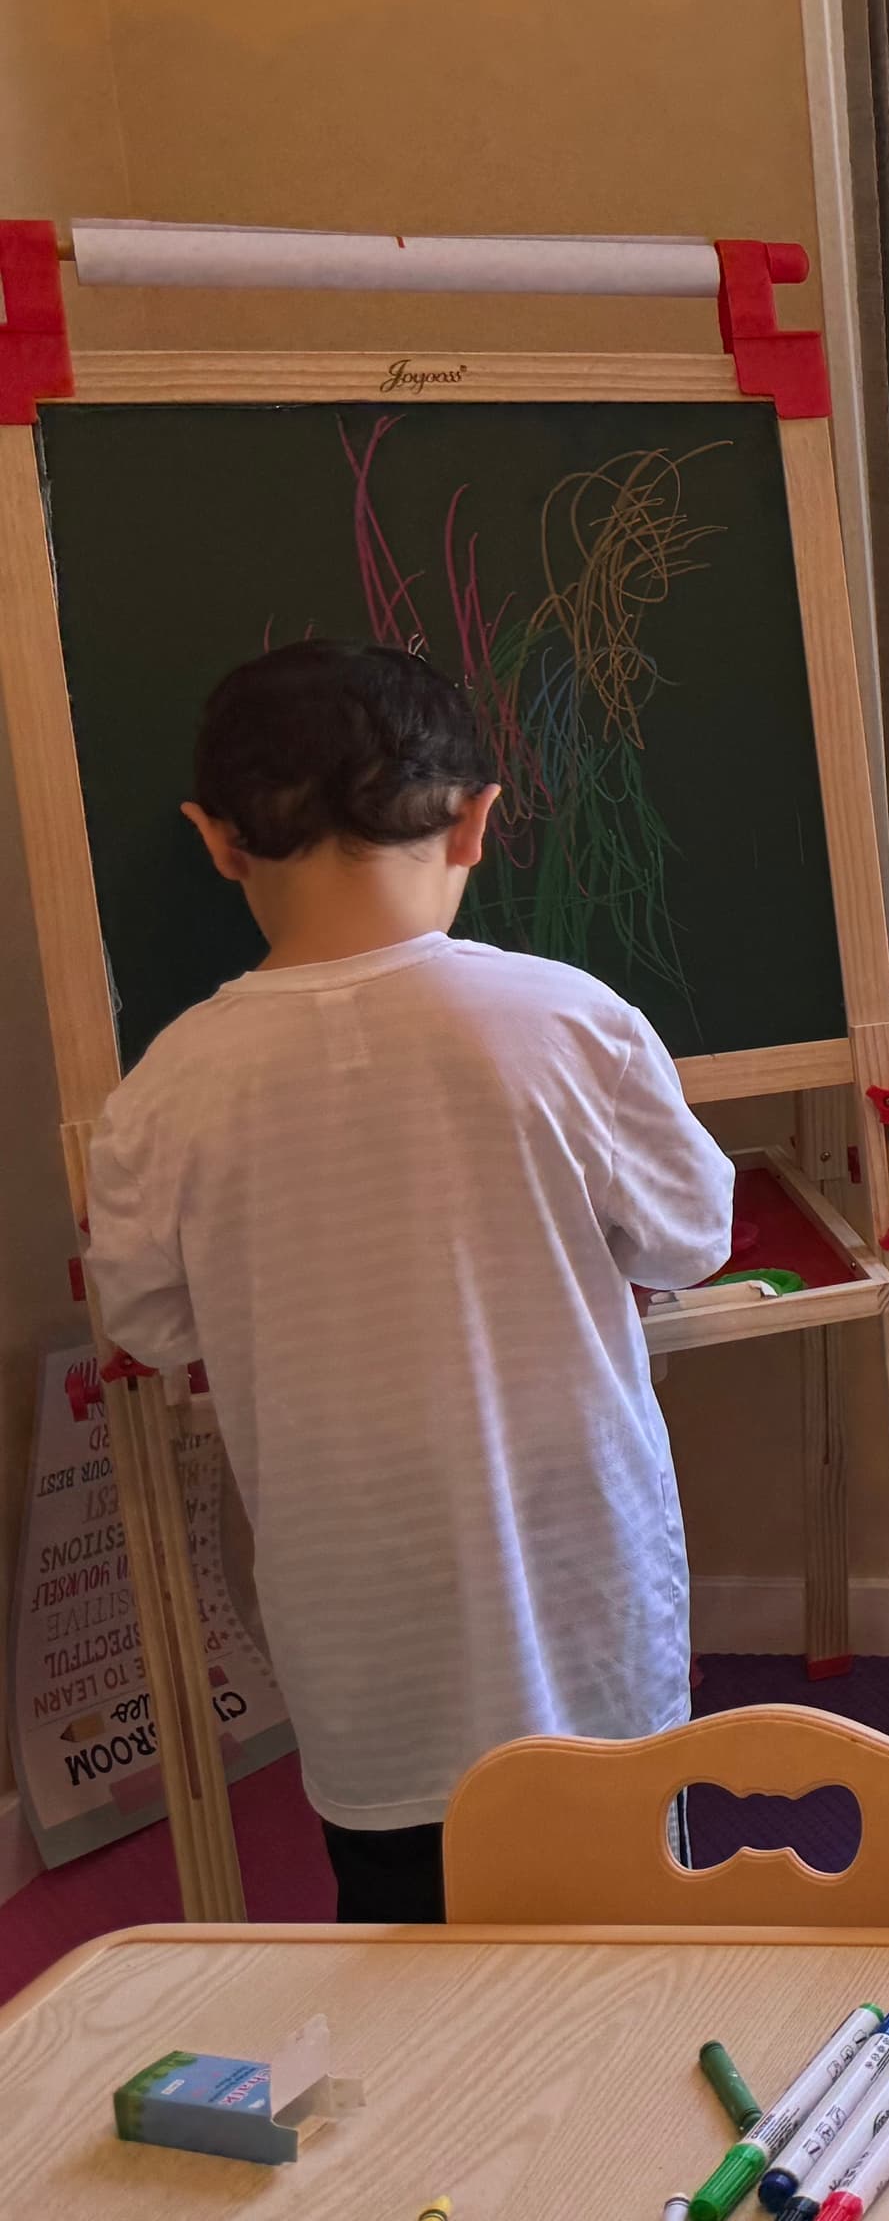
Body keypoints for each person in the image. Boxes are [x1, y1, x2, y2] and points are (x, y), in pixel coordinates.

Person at [82, 642, 735, 1925]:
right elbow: (691, 1238)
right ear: (479, 821)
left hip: (360, 1629)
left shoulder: (166, 1090)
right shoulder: (571, 1022)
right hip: (584, 1597)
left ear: (217, 842)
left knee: (403, 1940)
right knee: (632, 1925)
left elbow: (149, 1324)